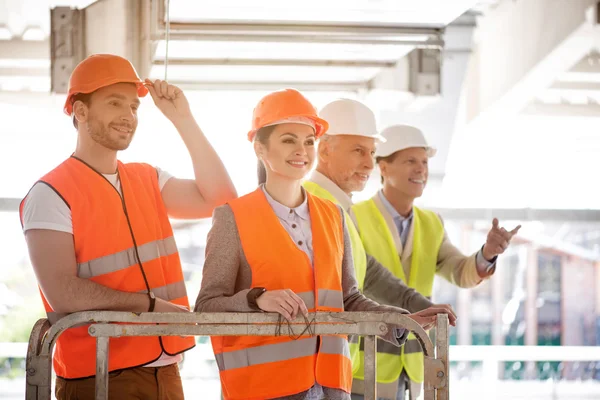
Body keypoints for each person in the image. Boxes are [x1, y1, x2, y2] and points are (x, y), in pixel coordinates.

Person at [194, 89, 450, 400]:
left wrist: (400, 319)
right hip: (261, 388)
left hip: (328, 385)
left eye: (309, 141)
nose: (301, 150)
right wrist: (256, 298)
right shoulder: (232, 218)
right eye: (289, 140)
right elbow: (207, 307)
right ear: (260, 148)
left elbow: (348, 298)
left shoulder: (332, 215)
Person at [19, 54, 237, 400]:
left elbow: (223, 201)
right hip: (100, 375)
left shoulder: (147, 178)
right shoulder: (50, 193)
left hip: (165, 369)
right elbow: (63, 292)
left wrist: (182, 119)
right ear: (80, 111)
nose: (128, 115)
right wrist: (151, 307)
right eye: (115, 103)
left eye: (134, 107)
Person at [350, 124, 521, 400]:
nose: (421, 170)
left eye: (425, 162)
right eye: (410, 161)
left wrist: (487, 253)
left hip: (415, 363)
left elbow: (460, 271)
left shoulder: (432, 223)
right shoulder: (353, 216)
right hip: (368, 363)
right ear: (383, 167)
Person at [303, 98, 456, 385]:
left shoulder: (339, 209)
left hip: (334, 368)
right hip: (314, 372)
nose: (368, 163)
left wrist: (416, 307)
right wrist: (405, 316)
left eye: (372, 152)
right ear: (324, 150)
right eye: (358, 151)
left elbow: (368, 274)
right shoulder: (312, 204)